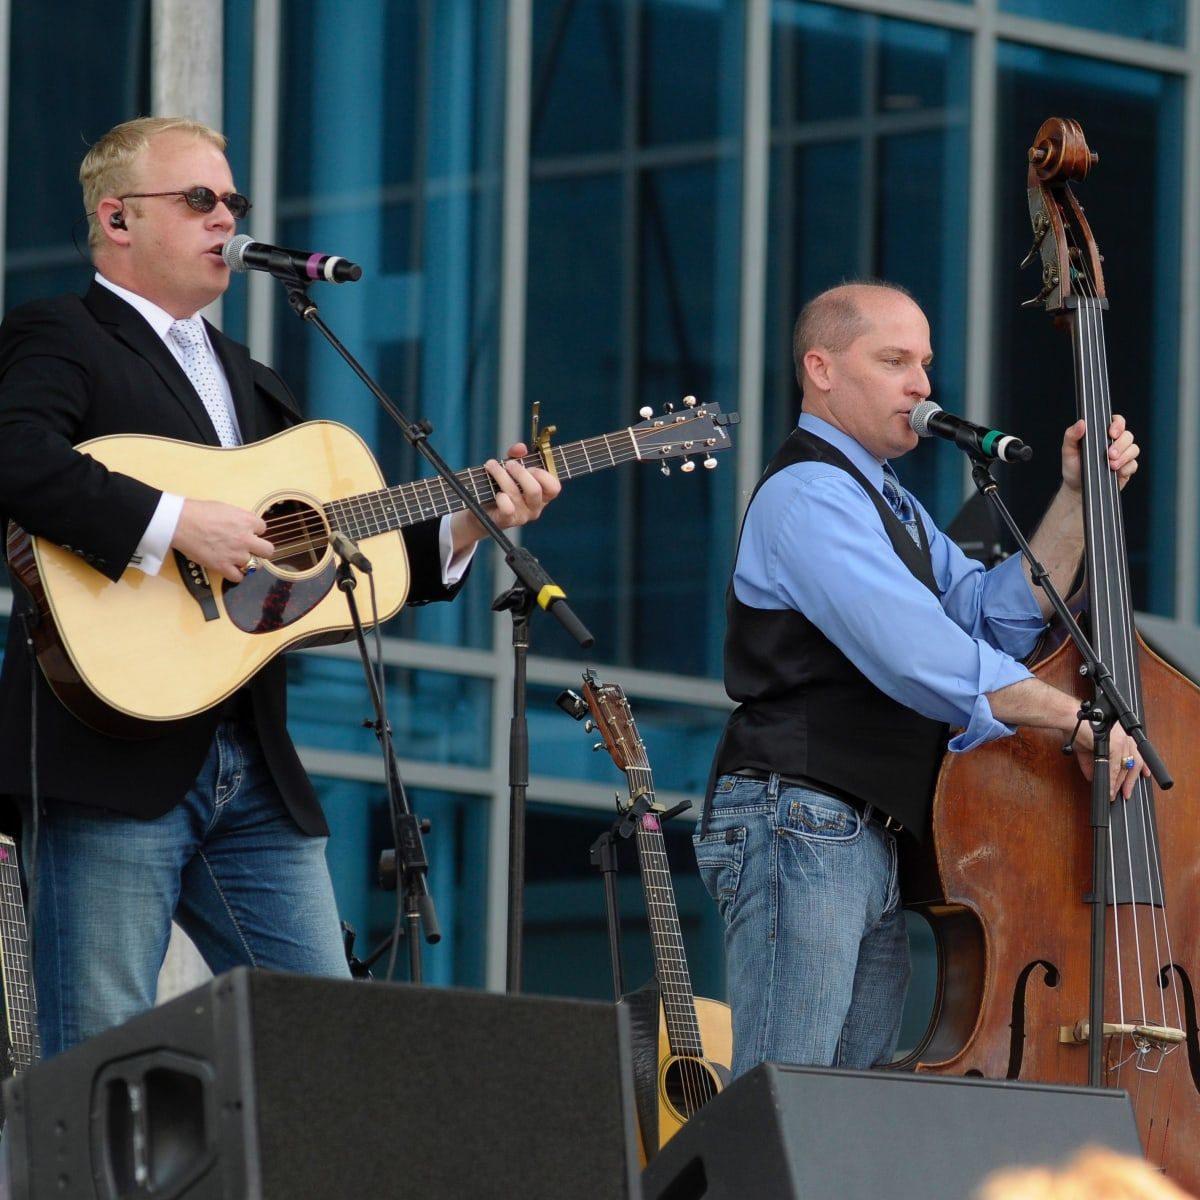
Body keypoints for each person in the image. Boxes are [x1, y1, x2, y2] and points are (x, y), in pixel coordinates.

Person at [0, 116, 560, 1059]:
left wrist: (471, 521)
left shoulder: (254, 383)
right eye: (200, 200)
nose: (227, 218)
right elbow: (15, 456)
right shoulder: (59, 333)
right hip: (103, 752)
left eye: (235, 202)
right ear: (118, 218)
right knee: (95, 1064)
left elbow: (344, 563)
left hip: (251, 764)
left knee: (331, 1050)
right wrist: (181, 522)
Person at [694, 280, 1145, 1079]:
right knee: (784, 1097)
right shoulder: (810, 493)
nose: (922, 386)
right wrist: (1078, 720)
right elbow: (921, 654)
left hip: (864, 830)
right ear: (822, 369)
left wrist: (1079, 497)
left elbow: (989, 614)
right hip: (802, 814)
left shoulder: (886, 499)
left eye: (925, 363)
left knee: (841, 1111)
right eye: (894, 360)